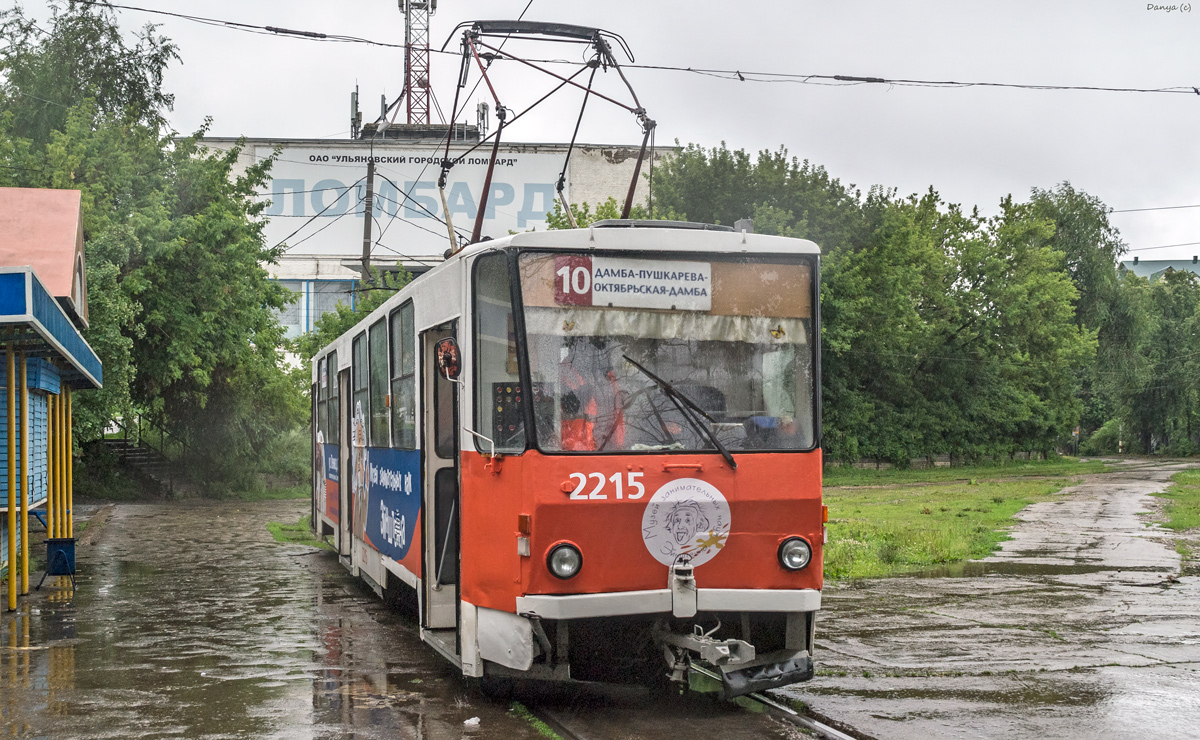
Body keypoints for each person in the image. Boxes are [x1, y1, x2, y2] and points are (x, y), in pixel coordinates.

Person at [558, 340, 625, 451]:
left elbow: (617, 413)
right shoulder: (569, 374)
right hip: (577, 452)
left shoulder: (607, 377)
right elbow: (573, 410)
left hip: (607, 449)